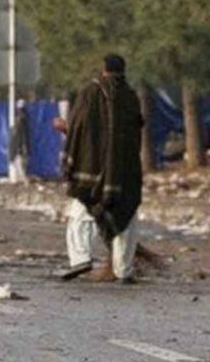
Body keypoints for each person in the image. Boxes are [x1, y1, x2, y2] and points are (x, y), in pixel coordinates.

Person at [58, 54, 144, 283]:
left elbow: (79, 126)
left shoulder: (90, 92)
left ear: (103, 69)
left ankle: (80, 260)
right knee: (126, 218)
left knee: (80, 215)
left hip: (92, 169)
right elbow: (136, 131)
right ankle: (124, 270)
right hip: (125, 172)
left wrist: (65, 130)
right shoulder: (131, 96)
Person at [8, 100, 30, 183]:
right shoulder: (22, 119)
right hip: (18, 143)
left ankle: (18, 178)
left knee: (18, 160)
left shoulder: (20, 119)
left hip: (18, 143)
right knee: (18, 160)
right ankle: (19, 178)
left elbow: (20, 133)